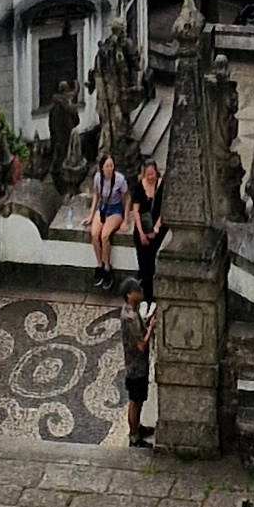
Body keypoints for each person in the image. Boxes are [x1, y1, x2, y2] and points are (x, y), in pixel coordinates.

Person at [119, 277, 154, 446]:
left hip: (137, 364)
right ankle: (134, 436)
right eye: (136, 290)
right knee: (135, 401)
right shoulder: (130, 317)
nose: (140, 292)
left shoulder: (131, 310)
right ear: (129, 294)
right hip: (136, 366)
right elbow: (141, 345)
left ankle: (137, 427)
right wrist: (151, 327)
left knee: (138, 400)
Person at [89, 150, 130, 288]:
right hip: (102, 208)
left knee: (105, 235)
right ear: (102, 167)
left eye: (111, 165)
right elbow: (96, 195)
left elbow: (127, 199)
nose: (110, 168)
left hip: (115, 209)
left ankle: (107, 267)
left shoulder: (119, 179)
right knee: (95, 234)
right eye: (107, 166)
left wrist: (125, 220)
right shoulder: (98, 178)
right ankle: (99, 264)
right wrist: (91, 215)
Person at [130, 157, 166, 303]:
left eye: (153, 174)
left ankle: (151, 296)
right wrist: (141, 233)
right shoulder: (139, 187)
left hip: (157, 228)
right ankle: (145, 294)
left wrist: (156, 229)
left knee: (150, 263)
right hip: (142, 228)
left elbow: (164, 209)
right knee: (143, 262)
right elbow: (136, 211)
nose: (151, 177)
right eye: (148, 174)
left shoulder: (161, 185)